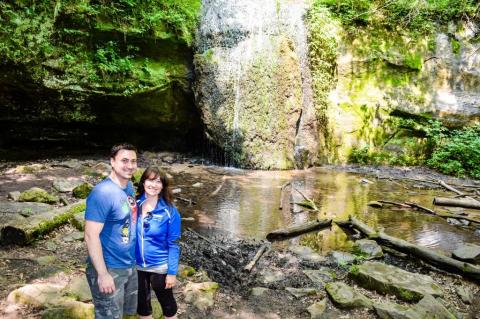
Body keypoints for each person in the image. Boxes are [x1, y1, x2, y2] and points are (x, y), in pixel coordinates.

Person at [84, 143, 139, 319]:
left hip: (129, 264)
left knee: (127, 313)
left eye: (133, 161)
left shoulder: (128, 186)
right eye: (124, 160)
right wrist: (102, 274)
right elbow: (90, 235)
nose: (130, 166)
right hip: (110, 268)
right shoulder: (102, 193)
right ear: (112, 162)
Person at [136, 167, 181, 319]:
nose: (153, 185)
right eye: (150, 180)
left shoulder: (170, 211)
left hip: (160, 266)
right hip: (136, 266)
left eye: (158, 181)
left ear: (163, 186)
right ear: (143, 182)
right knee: (142, 306)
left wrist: (172, 273)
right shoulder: (134, 205)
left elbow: (174, 244)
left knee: (168, 305)